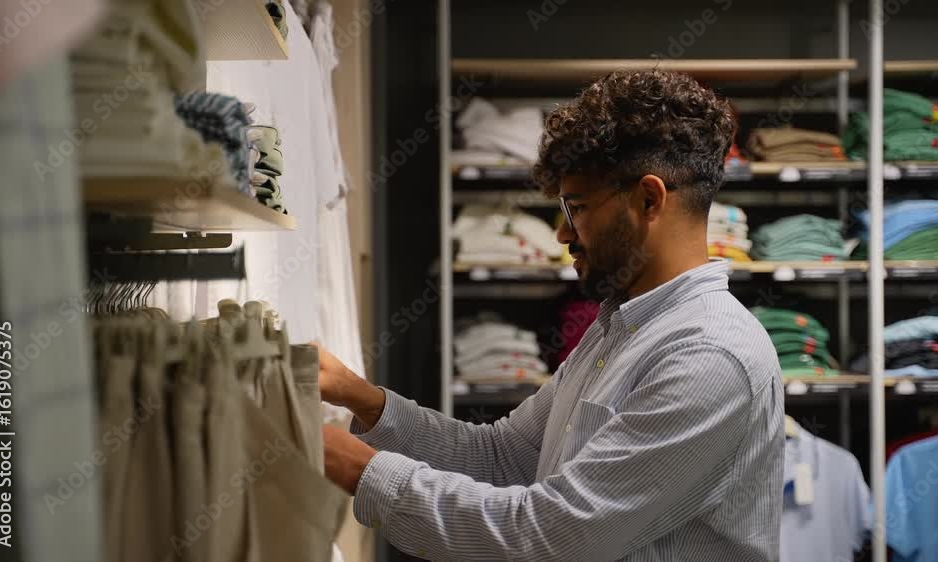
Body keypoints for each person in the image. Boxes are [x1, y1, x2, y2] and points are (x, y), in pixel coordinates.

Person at [319, 69, 784, 561]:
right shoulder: (618, 330)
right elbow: (502, 457)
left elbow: (554, 537)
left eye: (576, 207)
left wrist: (360, 469)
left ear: (649, 199)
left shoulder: (709, 357)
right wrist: (361, 397)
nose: (563, 234)